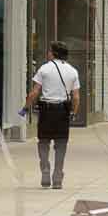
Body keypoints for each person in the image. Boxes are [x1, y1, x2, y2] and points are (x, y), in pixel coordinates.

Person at [24, 42, 80, 189]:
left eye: (49, 51)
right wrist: (73, 112)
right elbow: (76, 97)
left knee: (43, 142)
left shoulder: (44, 69)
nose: (47, 53)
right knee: (61, 144)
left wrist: (25, 107)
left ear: (53, 53)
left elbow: (35, 92)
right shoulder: (73, 71)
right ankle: (57, 176)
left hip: (46, 110)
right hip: (63, 111)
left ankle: (45, 170)